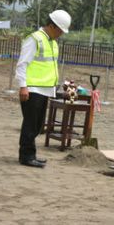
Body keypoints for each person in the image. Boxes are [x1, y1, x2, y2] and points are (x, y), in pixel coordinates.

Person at [16, 10, 71, 168]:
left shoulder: (52, 42)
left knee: (38, 125)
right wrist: (23, 86)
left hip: (45, 89)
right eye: (60, 30)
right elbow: (22, 64)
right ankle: (26, 156)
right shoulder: (35, 39)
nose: (61, 34)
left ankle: (30, 154)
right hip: (32, 89)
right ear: (51, 26)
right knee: (30, 123)